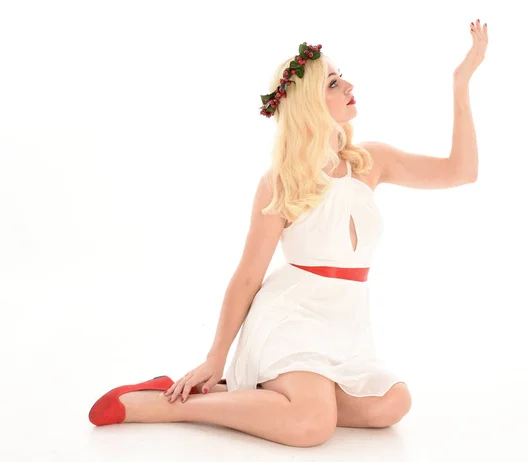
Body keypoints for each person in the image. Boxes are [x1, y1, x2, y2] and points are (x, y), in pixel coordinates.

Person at [89, 26, 486, 447]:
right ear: (310, 106)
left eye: (341, 77)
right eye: (332, 83)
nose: (348, 85)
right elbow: (247, 276)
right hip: (293, 318)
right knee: (313, 425)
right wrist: (215, 356)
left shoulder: (372, 161)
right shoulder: (282, 181)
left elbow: (461, 172)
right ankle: (167, 406)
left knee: (391, 404)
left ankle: (255, 395)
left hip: (345, 324)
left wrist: (461, 84)